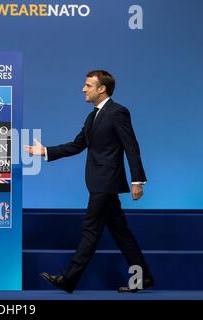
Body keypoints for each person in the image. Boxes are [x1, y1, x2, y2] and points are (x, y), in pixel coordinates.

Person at [25, 70, 154, 293]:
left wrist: (137, 180)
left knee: (90, 231)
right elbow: (77, 145)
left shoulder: (118, 112)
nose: (83, 89)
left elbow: (131, 147)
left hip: (106, 182)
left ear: (101, 89)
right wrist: (44, 151)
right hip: (99, 182)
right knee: (121, 233)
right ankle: (143, 278)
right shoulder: (92, 116)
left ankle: (68, 279)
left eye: (88, 85)